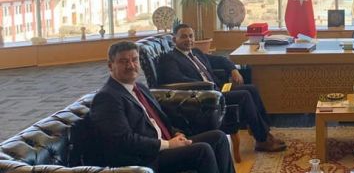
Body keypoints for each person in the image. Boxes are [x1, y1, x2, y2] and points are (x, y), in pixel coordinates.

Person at [90, 41, 234, 173]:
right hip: (146, 158)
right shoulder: (107, 98)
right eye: (123, 61)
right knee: (202, 150)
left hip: (164, 143)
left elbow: (160, 118)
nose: (131, 65)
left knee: (218, 137)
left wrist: (176, 133)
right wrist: (167, 145)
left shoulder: (139, 87)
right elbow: (124, 141)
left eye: (134, 60)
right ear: (110, 65)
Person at [159, 24, 285, 152]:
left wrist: (233, 70)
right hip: (204, 97)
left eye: (191, 36)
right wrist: (206, 86)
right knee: (244, 95)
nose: (189, 40)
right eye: (184, 37)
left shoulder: (195, 52)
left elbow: (220, 60)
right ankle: (262, 140)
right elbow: (177, 79)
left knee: (252, 89)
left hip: (218, 90)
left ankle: (265, 133)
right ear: (174, 40)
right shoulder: (169, 58)